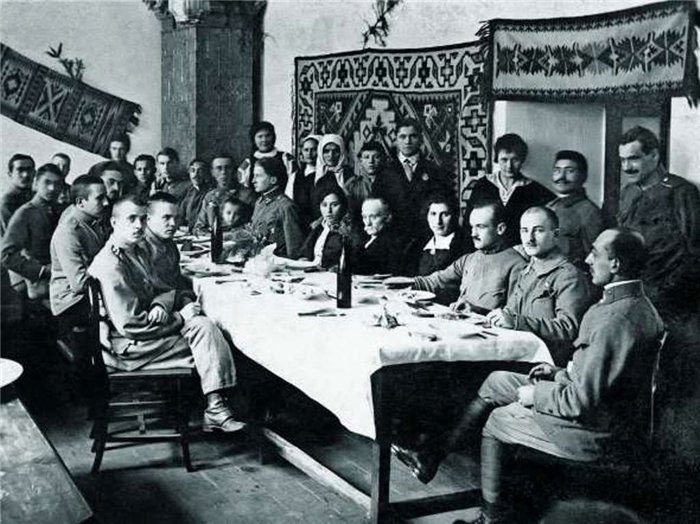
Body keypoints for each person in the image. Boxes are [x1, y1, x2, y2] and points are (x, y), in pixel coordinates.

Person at [396, 228, 664, 524]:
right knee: (497, 381)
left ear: (615, 264)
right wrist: (558, 372)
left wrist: (536, 394)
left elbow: (580, 402)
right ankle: (432, 456)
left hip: (594, 431)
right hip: (599, 408)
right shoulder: (638, 306)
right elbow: (607, 375)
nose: (588, 259)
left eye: (595, 253)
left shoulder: (614, 318)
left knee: (497, 420)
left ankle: (490, 516)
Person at [88, 195, 246, 433]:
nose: (139, 226)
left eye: (142, 219)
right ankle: (218, 408)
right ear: (113, 222)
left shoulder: (133, 252)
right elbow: (131, 326)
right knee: (217, 343)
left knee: (205, 328)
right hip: (130, 347)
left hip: (147, 334)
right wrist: (181, 317)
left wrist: (161, 306)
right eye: (131, 219)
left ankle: (216, 406)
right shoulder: (112, 264)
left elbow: (164, 289)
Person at [486, 206, 593, 365]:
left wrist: (517, 322)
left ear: (555, 235)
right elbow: (511, 312)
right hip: (519, 353)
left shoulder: (568, 275)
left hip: (546, 362)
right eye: (524, 231)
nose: (529, 238)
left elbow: (568, 328)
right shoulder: (527, 271)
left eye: (538, 231)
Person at [616, 125, 700, 318]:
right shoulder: (628, 193)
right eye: (623, 160)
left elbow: (694, 250)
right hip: (635, 293)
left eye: (634, 158)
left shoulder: (681, 191)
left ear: (654, 155)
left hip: (671, 298)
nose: (626, 167)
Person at [413, 202, 526, 311]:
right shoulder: (469, 259)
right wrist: (405, 282)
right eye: (472, 227)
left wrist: (477, 310)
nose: (473, 234)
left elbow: (512, 316)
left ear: (500, 229)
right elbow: (434, 281)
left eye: (480, 227)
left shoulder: (518, 266)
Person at [466, 133, 554, 247]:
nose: (509, 166)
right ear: (496, 159)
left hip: (519, 252)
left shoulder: (534, 190)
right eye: (504, 160)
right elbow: (468, 223)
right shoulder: (483, 185)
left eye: (515, 160)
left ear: (522, 160)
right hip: (484, 249)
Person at [372, 118, 453, 241]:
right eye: (402, 137)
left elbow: (445, 203)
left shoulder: (434, 170)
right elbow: (375, 207)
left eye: (413, 136)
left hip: (426, 236)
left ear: (420, 139)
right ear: (396, 140)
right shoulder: (384, 172)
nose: (407, 141)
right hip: (393, 237)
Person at [49, 175, 109, 330]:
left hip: (91, 294)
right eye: (100, 198)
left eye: (106, 197)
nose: (106, 202)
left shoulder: (92, 220)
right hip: (71, 302)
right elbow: (80, 284)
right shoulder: (68, 232)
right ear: (80, 202)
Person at [1, 163, 64, 301]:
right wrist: (41, 271)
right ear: (36, 183)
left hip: (61, 284)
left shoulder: (61, 211)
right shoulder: (26, 213)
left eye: (57, 184)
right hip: (39, 288)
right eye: (47, 182)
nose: (52, 188)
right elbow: (5, 255)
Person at [546, 150, 605, 269]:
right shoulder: (549, 206)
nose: (561, 177)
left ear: (583, 176)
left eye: (570, 171)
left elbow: (594, 257)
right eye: (557, 170)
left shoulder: (589, 212)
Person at [288, 188, 361, 269]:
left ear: (343, 206)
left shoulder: (348, 231)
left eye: (334, 205)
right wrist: (303, 260)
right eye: (324, 205)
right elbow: (305, 253)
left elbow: (353, 260)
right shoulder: (319, 228)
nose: (328, 210)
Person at [250, 157, 306, 258]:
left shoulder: (286, 206)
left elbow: (294, 248)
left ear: (273, 180)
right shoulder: (259, 202)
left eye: (258, 176)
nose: (253, 180)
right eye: (254, 176)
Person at [404, 193, 470, 277]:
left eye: (445, 214)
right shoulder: (417, 246)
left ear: (455, 216)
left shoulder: (465, 247)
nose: (438, 221)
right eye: (433, 214)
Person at [193, 154, 255, 234]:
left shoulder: (248, 195)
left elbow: (253, 226)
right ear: (212, 172)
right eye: (219, 168)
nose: (223, 172)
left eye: (228, 168)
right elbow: (198, 227)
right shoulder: (210, 196)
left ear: (234, 171)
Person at [237, 121, 297, 189]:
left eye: (268, 136)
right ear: (254, 139)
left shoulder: (286, 158)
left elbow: (294, 183)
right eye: (260, 136)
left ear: (273, 137)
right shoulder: (248, 163)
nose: (264, 140)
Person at [310, 134, 355, 222]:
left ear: (342, 152)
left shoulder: (351, 176)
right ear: (320, 152)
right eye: (326, 151)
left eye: (336, 151)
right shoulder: (313, 179)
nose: (331, 155)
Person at [355, 197, 406, 275]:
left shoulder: (392, 244)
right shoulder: (363, 240)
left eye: (373, 217)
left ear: (388, 218)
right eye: (364, 217)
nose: (368, 223)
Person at [345, 141, 385, 225]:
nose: (371, 161)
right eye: (366, 157)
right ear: (360, 161)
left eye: (376, 157)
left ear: (383, 159)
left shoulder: (390, 183)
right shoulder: (352, 184)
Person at [285, 135, 319, 226]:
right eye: (306, 150)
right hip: (299, 222)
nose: (309, 153)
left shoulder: (325, 174)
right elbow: (288, 200)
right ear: (302, 152)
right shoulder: (295, 176)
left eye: (314, 149)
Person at [1, 153, 35, 236]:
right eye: (20, 170)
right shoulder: (8, 202)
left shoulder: (35, 196)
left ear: (34, 173)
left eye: (29, 170)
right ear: (10, 174)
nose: (26, 175)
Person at [178, 158, 214, 232]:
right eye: (192, 170)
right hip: (185, 232)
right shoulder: (186, 191)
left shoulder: (210, 193)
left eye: (200, 171)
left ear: (206, 174)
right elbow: (180, 215)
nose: (195, 175)